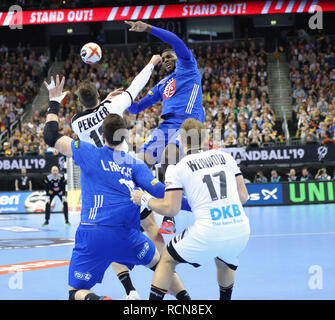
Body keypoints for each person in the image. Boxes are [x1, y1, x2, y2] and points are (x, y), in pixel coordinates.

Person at [43, 75, 190, 300]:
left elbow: (51, 135)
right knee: (161, 265)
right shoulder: (135, 165)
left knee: (75, 292)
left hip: (92, 235)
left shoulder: (86, 152)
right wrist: (196, 203)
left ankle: (100, 299)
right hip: (126, 236)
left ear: (102, 136)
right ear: (125, 135)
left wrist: (54, 100)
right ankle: (187, 302)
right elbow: (164, 193)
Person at [70, 55, 169, 299]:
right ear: (98, 94)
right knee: (151, 228)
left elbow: (91, 114)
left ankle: (130, 290)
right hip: (126, 175)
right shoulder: (113, 107)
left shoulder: (76, 124)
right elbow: (136, 85)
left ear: (81, 101)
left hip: (101, 184)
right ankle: (166, 271)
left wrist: (102, 100)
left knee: (110, 238)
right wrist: (152, 63)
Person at [131, 118, 250, 300]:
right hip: (240, 229)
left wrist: (145, 199)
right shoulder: (226, 157)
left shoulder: (177, 168)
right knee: (225, 260)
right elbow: (244, 197)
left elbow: (171, 209)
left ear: (181, 140)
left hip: (208, 231)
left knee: (168, 260)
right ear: (204, 138)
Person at [125, 20, 205, 235]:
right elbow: (136, 108)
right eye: (165, 58)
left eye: (171, 56)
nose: (167, 59)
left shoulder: (189, 66)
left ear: (180, 57)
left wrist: (149, 29)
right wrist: (122, 97)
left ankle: (170, 215)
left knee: (169, 155)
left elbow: (176, 41)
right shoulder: (162, 84)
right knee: (139, 163)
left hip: (189, 123)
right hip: (167, 125)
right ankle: (140, 213)